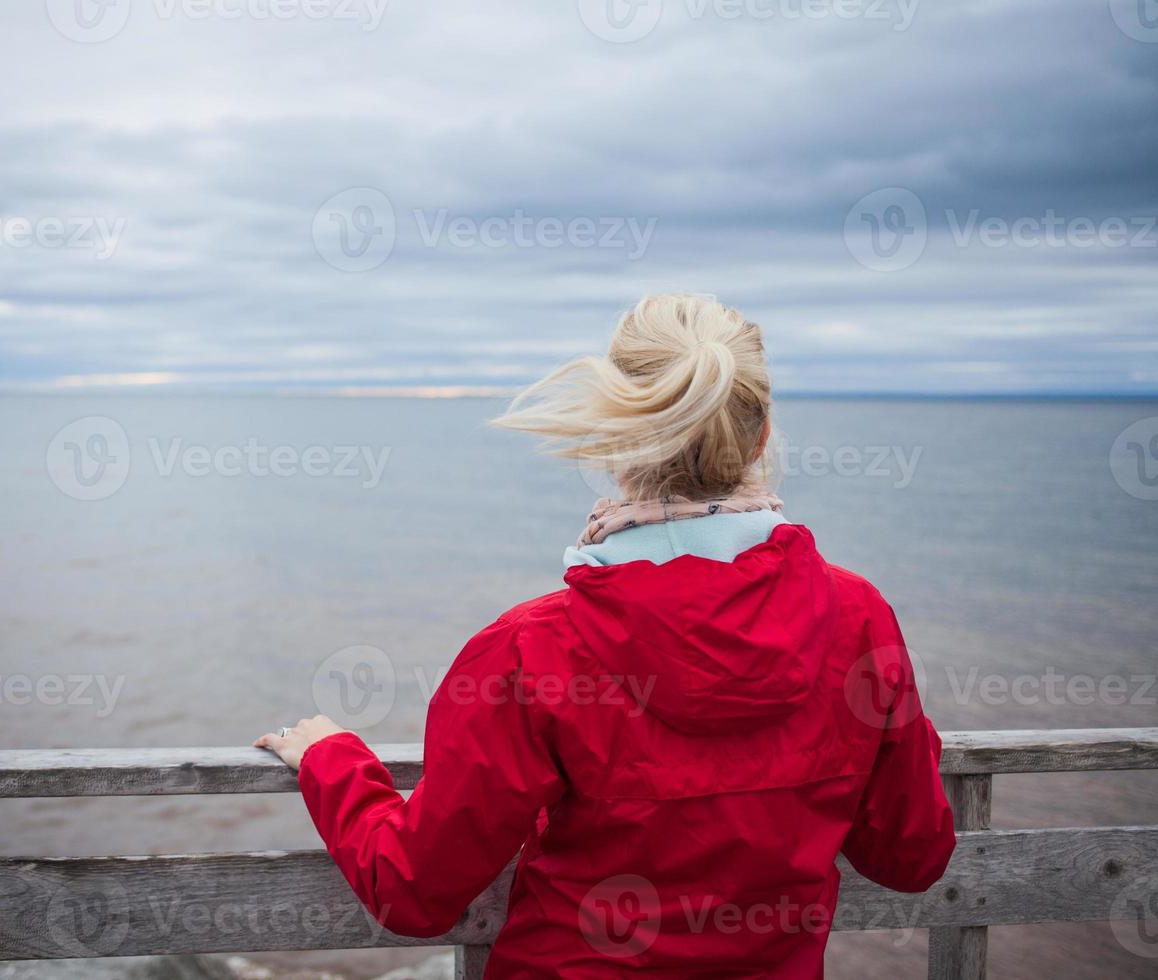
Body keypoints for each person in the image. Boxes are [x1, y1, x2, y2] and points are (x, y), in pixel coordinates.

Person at [255, 294, 955, 977]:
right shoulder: (859, 617)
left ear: (617, 441)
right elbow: (909, 857)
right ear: (762, 434)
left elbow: (413, 889)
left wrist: (332, 760)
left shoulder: (530, 648)